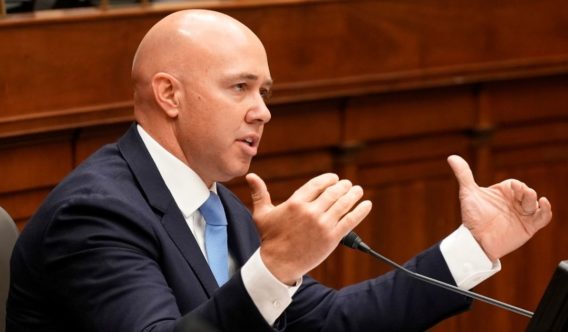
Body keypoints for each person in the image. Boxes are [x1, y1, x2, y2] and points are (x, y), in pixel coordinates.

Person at [6, 9, 552, 332]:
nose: (262, 110)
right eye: (240, 87)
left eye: (264, 92)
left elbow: (325, 323)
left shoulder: (214, 202)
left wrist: (472, 248)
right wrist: (276, 266)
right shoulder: (96, 213)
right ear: (169, 94)